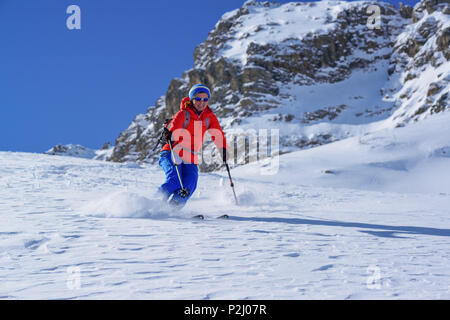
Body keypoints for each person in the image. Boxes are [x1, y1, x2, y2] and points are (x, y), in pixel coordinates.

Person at [157, 84, 228, 208]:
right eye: (198, 99)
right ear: (191, 99)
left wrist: (223, 149)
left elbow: (218, 134)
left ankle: (172, 209)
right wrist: (169, 135)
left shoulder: (209, 117)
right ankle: (153, 204)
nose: (201, 102)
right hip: (172, 151)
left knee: (190, 184)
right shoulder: (183, 114)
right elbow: (174, 130)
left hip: (190, 157)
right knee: (175, 181)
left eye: (205, 99)